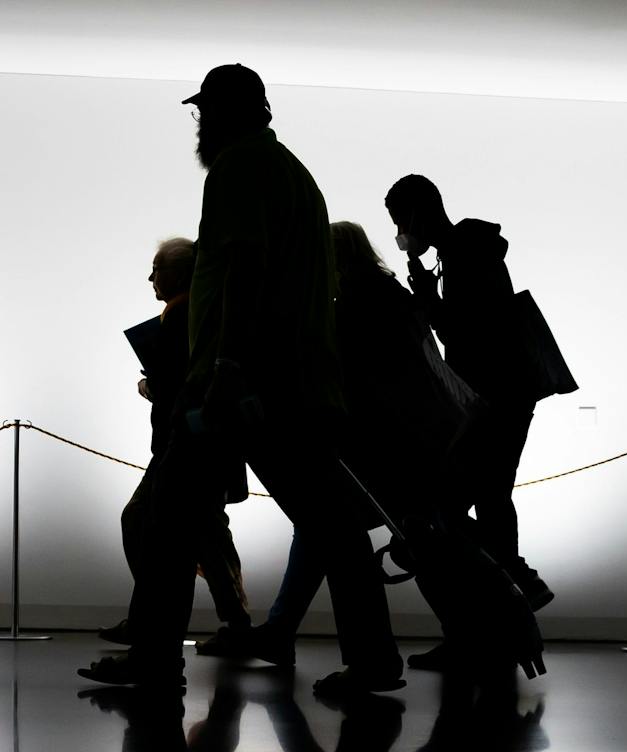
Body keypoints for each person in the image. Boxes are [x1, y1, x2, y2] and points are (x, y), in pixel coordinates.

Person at [79, 64, 403, 695]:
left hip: (248, 384)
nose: (200, 125)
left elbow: (243, 269)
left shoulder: (239, 168)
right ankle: (374, 658)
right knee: (328, 526)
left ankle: (153, 658)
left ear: (224, 114)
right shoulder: (292, 173)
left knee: (169, 518)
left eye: (205, 113)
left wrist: (225, 368)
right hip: (294, 381)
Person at [225, 221, 476, 670]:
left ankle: (454, 636)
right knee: (404, 534)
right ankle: (465, 634)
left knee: (349, 530)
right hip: (422, 439)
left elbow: (350, 375)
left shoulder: (355, 305)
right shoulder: (391, 295)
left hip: (387, 445)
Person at [384, 173, 552, 672]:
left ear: (417, 213)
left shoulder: (461, 253)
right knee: (490, 497)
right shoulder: (468, 249)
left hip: (487, 398)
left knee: (448, 512)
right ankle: (504, 616)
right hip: (503, 395)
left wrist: (426, 297)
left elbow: (461, 328)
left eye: (399, 221)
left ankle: (503, 597)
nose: (399, 232)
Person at [105, 236, 251, 650]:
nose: (151, 277)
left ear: (181, 272)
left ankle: (151, 626)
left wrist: (151, 386)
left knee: (144, 524)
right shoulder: (199, 310)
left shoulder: (181, 314)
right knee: (206, 533)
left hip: (184, 443)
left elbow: (178, 383)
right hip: (201, 440)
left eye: (158, 269)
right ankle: (233, 625)